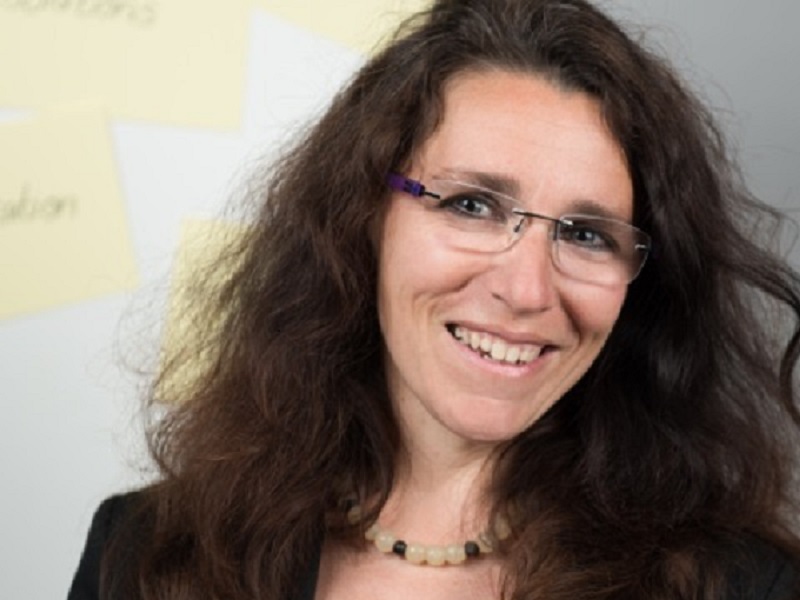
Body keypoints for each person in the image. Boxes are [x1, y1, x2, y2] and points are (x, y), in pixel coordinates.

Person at [68, 0, 800, 598]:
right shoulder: (146, 557)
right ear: (362, 218)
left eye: (586, 234)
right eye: (471, 205)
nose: (525, 290)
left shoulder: (741, 587)